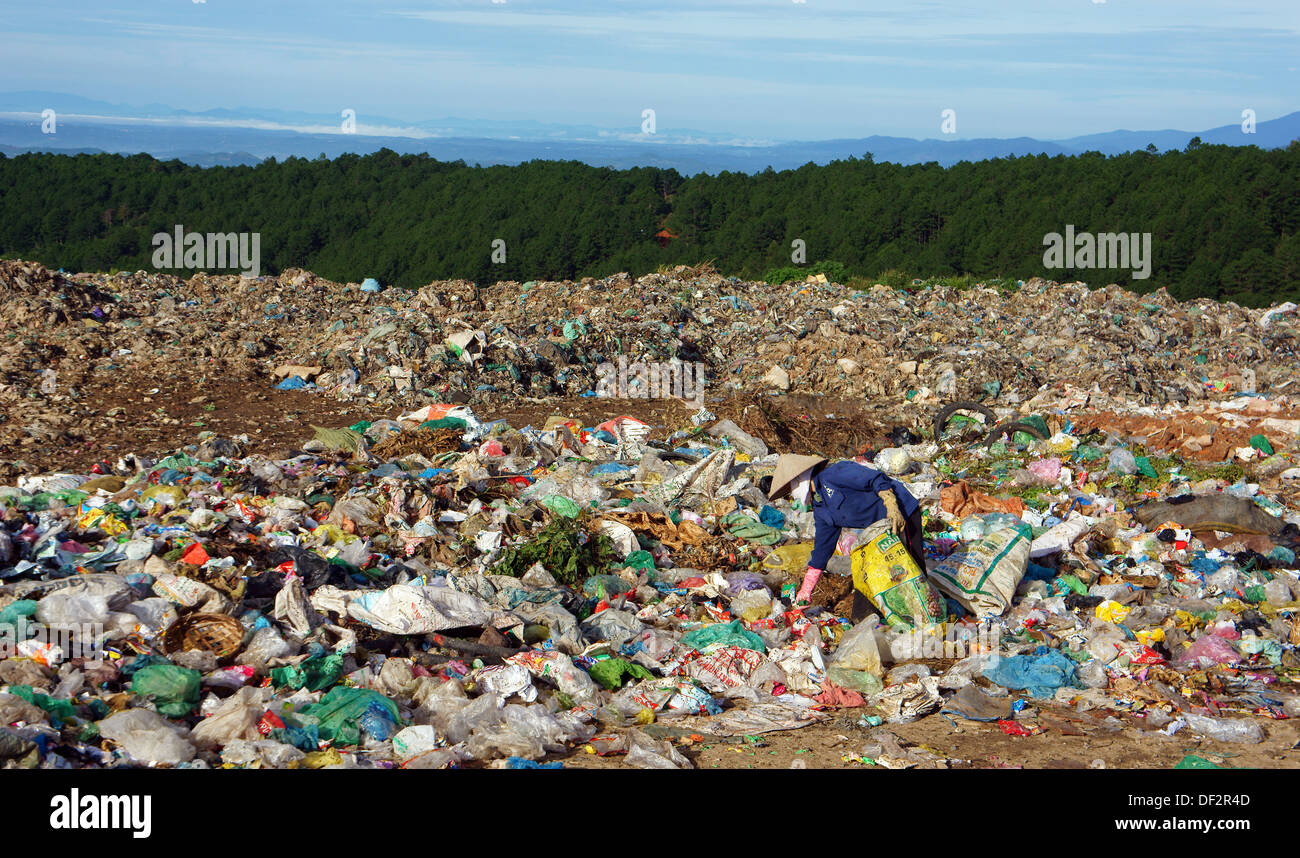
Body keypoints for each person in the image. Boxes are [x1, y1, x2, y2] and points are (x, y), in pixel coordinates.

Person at [767, 451, 926, 610]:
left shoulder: (835, 473)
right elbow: (823, 546)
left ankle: (925, 608)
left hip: (901, 513)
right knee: (879, 573)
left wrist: (891, 505)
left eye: (791, 488)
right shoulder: (820, 506)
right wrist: (807, 587)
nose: (792, 494)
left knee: (913, 565)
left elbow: (875, 478)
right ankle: (873, 616)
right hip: (878, 529)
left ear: (799, 479)